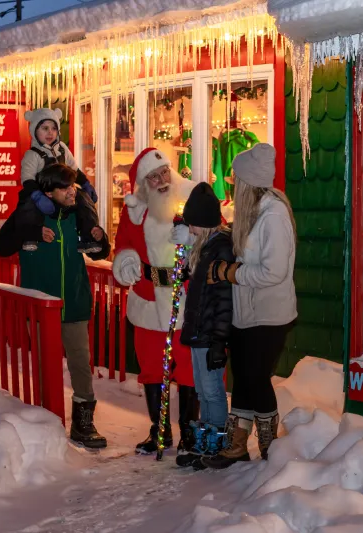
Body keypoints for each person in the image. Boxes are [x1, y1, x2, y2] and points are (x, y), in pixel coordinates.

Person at [0, 164, 111, 449]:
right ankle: (49, 421)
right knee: (46, 365)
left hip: (75, 301)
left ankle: (84, 423)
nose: (73, 192)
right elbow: (0, 247)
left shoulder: (78, 215)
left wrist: (99, 238)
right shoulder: (28, 214)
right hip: (41, 307)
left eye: (73, 186)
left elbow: (102, 251)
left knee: (81, 364)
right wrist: (31, 232)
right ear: (49, 192)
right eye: (66, 188)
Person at [201, 143, 297, 470]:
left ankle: (272, 447)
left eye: (236, 181)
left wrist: (230, 273)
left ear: (249, 183)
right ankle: (237, 445)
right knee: (242, 378)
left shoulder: (274, 216)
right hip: (246, 315)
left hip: (269, 316)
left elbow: (274, 272)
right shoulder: (253, 213)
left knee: (255, 379)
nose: (233, 186)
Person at [111, 148, 199, 455]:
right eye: (154, 176)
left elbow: (214, 239)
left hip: (184, 297)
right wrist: (125, 261)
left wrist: (192, 241)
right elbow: (122, 244)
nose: (162, 180)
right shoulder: (133, 211)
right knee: (151, 368)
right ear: (143, 183)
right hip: (148, 299)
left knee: (187, 367)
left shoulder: (189, 204)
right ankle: (159, 430)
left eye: (164, 172)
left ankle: (189, 430)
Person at [170, 182, 234, 469]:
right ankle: (206, 438)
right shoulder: (203, 249)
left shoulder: (220, 249)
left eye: (193, 224)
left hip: (210, 334)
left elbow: (223, 299)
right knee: (201, 390)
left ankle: (217, 442)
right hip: (198, 330)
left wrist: (220, 338)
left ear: (205, 223)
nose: (190, 229)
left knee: (212, 390)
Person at [22, 107, 101, 254]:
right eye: (45, 128)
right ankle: (31, 236)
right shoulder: (32, 155)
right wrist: (38, 196)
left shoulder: (63, 149)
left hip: (63, 191)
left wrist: (85, 184)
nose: (50, 132)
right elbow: (27, 179)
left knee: (84, 199)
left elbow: (74, 169)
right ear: (34, 130)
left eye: (53, 128)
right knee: (27, 202)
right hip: (41, 192)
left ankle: (88, 237)